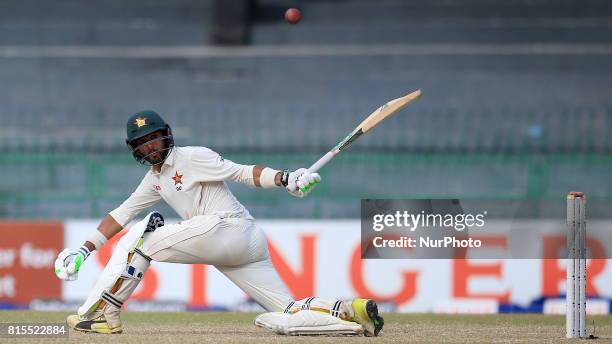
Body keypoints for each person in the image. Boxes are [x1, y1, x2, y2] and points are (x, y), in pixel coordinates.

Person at [54, 110, 384, 336]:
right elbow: (120, 214)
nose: (150, 146)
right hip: (240, 244)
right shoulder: (153, 180)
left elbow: (242, 172)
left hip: (230, 228)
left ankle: (105, 316)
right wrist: (84, 250)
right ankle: (351, 314)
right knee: (288, 310)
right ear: (135, 150)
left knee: (146, 240)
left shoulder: (192, 156)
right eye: (143, 143)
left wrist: (284, 178)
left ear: (166, 136)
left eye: (154, 138)